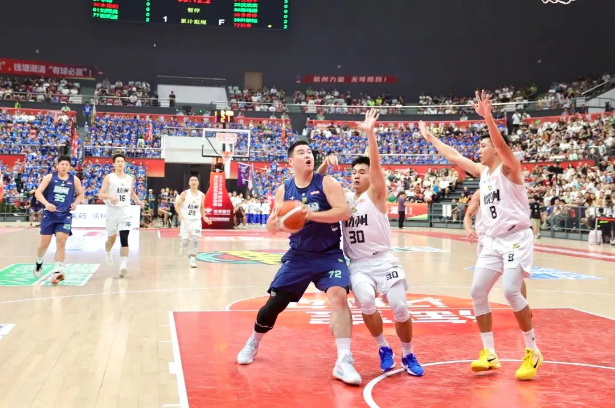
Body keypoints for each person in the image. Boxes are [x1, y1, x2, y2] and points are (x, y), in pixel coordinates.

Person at [419, 91, 541, 381]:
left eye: (483, 145)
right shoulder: (483, 173)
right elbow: (454, 156)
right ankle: (489, 353)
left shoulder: (510, 169)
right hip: (493, 241)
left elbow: (500, 144)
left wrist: (488, 118)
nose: (479, 149)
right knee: (477, 292)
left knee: (511, 291)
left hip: (516, 238)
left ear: (496, 150)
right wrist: (431, 138)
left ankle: (533, 350)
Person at [236, 140, 361, 386]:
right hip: (298, 256)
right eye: (301, 152)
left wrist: (308, 214)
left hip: (328, 255)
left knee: (339, 296)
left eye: (309, 152)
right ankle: (253, 341)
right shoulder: (284, 190)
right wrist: (276, 223)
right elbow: (272, 226)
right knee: (275, 304)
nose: (307, 155)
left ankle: (344, 360)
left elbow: (343, 212)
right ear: (290, 161)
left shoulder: (327, 183)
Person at [318, 109, 424, 376]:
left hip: (384, 260)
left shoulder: (376, 195)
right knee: (366, 302)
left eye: (362, 172)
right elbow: (318, 184)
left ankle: (408, 353)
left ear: (370, 176)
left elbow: (376, 168)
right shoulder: (344, 198)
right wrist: (326, 165)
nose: (356, 175)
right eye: (353, 172)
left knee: (400, 307)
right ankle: (383, 347)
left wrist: (371, 134)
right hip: (358, 264)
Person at [464, 190, 530, 312]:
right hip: (485, 239)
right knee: (479, 284)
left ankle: (523, 306)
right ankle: (481, 305)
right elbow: (468, 214)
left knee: (515, 275)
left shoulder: (505, 188)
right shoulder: (480, 193)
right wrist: (468, 230)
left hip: (505, 237)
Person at [33, 155, 84, 285]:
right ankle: (39, 261)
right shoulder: (50, 177)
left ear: (70, 167)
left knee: (61, 241)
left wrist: (75, 203)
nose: (64, 167)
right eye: (62, 164)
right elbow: (38, 193)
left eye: (67, 165)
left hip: (65, 215)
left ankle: (58, 270)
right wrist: (46, 204)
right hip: (49, 215)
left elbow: (80, 194)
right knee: (44, 245)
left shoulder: (74, 180)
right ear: (57, 166)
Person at [98, 153, 144, 278]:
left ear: (125, 164)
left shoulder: (129, 178)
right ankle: (108, 251)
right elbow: (100, 194)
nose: (120, 163)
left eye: (122, 161)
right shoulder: (109, 177)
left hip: (125, 210)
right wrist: (110, 197)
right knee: (111, 239)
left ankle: (123, 266)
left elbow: (131, 193)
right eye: (117, 161)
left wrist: (138, 201)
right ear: (113, 164)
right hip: (112, 210)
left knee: (124, 237)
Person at [175, 176, 212, 268]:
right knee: (185, 242)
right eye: (192, 180)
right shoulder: (185, 193)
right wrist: (180, 214)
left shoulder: (202, 195)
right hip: (186, 221)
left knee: (195, 240)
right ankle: (183, 246)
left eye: (195, 180)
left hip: (196, 221)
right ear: (189, 183)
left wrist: (204, 217)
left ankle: (192, 260)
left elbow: (202, 207)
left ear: (198, 183)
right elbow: (177, 205)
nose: (194, 182)